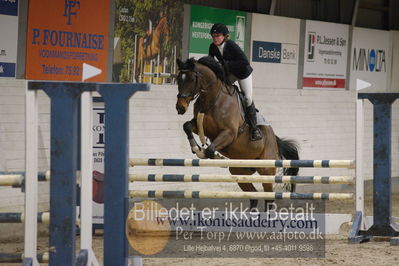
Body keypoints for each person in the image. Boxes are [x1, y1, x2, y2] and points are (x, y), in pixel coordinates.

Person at [208, 23, 262, 141]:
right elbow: (210, 61)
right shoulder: (212, 47)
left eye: (217, 35)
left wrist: (225, 64)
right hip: (230, 73)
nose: (215, 38)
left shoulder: (231, 45)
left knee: (248, 98)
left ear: (225, 36)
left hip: (243, 73)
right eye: (213, 36)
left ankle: (254, 128)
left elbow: (244, 62)